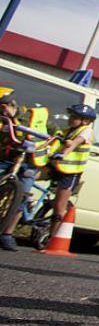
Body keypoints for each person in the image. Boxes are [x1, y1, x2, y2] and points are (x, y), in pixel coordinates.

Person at [0, 95, 41, 251]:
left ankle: (7, 234)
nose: (3, 110)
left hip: (28, 162)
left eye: (5, 106)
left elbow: (53, 133)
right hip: (6, 158)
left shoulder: (30, 116)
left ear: (13, 105)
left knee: (21, 197)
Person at [46, 103, 96, 228]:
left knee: (59, 206)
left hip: (71, 172)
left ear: (85, 121)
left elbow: (75, 143)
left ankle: (53, 237)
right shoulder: (66, 130)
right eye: (71, 116)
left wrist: (64, 153)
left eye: (75, 117)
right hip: (56, 166)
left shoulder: (86, 131)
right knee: (30, 176)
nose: (70, 119)